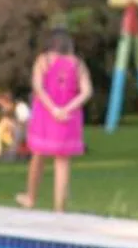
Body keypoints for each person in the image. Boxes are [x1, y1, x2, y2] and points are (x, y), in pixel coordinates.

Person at [18, 26, 91, 212]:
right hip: (69, 117)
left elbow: (38, 87)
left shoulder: (43, 61)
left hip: (45, 116)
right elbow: (87, 91)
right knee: (63, 161)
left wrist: (53, 109)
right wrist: (67, 108)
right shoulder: (77, 64)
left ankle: (31, 197)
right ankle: (59, 208)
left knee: (38, 156)